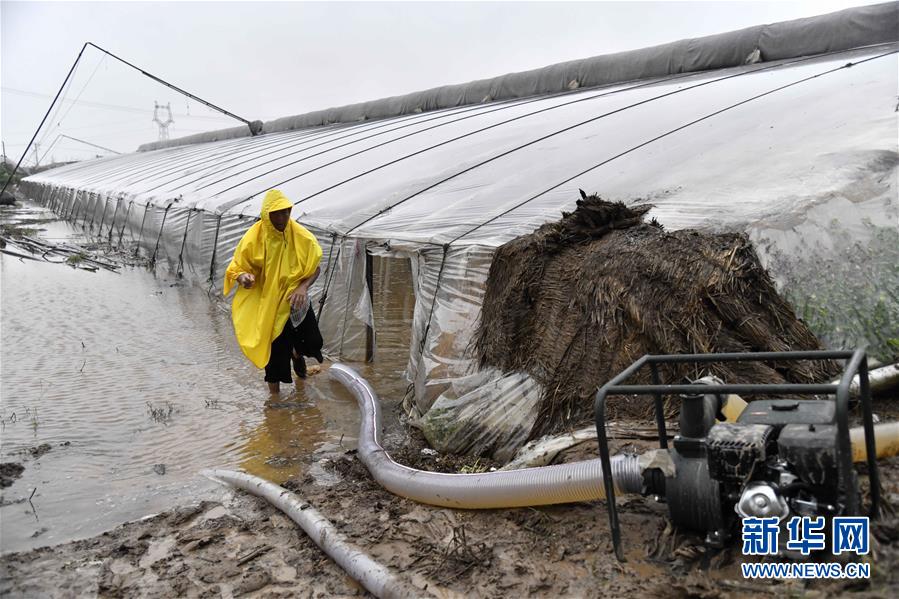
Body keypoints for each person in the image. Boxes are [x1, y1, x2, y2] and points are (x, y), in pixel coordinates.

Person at [224, 189, 324, 394]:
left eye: (286, 212)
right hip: (269, 305)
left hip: (296, 301)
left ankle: (298, 359)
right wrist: (244, 278)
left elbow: (316, 267)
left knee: (312, 341)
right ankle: (274, 405)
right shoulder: (255, 238)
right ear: (266, 215)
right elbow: (238, 267)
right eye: (277, 213)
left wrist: (302, 287)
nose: (283, 218)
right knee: (276, 355)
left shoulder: (300, 236)